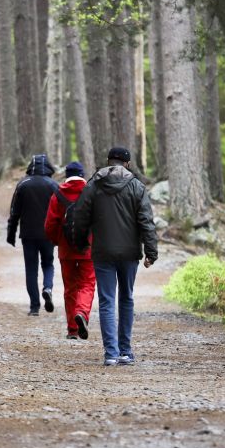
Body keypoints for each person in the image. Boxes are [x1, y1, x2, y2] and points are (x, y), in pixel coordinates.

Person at [73, 147, 158, 366]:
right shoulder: (137, 186)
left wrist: (81, 242)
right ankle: (126, 351)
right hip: (129, 253)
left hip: (102, 252)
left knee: (107, 301)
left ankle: (110, 353)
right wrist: (151, 251)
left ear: (109, 161)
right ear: (127, 164)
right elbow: (146, 221)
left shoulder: (94, 185)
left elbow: (80, 215)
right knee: (126, 298)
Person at [44, 161, 96, 340]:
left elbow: (50, 225)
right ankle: (82, 312)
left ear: (67, 174)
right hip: (88, 248)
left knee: (70, 287)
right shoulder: (91, 192)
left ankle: (73, 329)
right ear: (82, 174)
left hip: (66, 249)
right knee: (87, 283)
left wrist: (56, 241)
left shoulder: (58, 194)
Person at [7, 153, 59, 316]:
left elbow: (14, 212)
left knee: (31, 269)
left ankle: (34, 307)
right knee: (48, 264)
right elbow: (60, 212)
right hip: (48, 235)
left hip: (28, 235)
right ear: (48, 167)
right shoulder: (53, 185)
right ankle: (48, 287)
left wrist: (11, 233)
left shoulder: (23, 184)